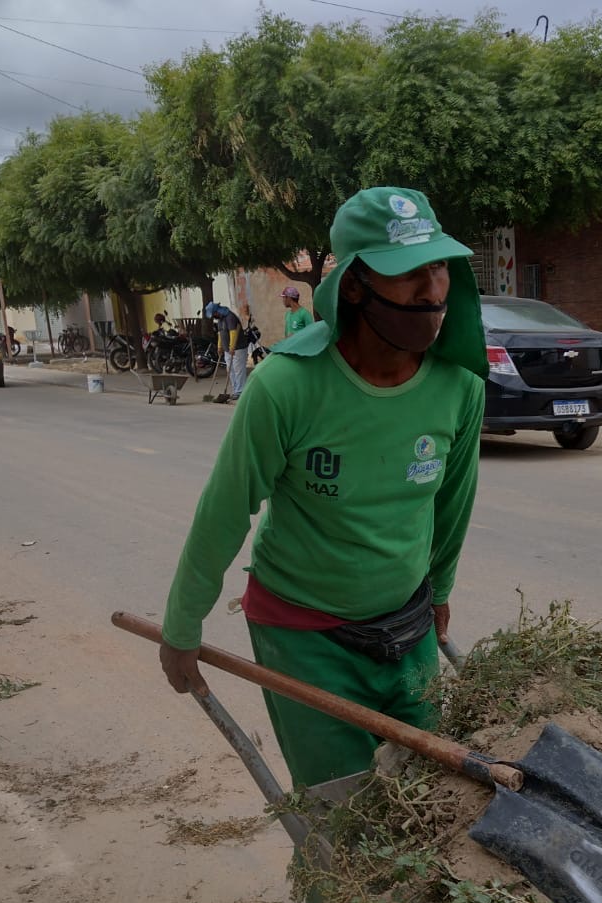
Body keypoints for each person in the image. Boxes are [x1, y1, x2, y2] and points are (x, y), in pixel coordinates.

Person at [159, 187, 487, 790]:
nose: (433, 292)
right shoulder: (285, 387)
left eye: (437, 266)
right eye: (408, 273)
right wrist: (182, 628)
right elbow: (225, 513)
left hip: (409, 626)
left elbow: (452, 502)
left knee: (436, 803)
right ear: (355, 285)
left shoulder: (459, 384)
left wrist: (439, 590)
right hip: (304, 639)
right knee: (346, 817)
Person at [202, 299, 245, 400]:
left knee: (238, 370)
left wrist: (232, 346)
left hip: (237, 348)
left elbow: (233, 332)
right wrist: (219, 346)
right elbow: (220, 333)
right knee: (230, 370)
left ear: (216, 312)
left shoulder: (230, 317)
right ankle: (236, 390)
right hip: (228, 349)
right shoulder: (220, 320)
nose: (213, 317)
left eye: (213, 315)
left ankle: (240, 391)